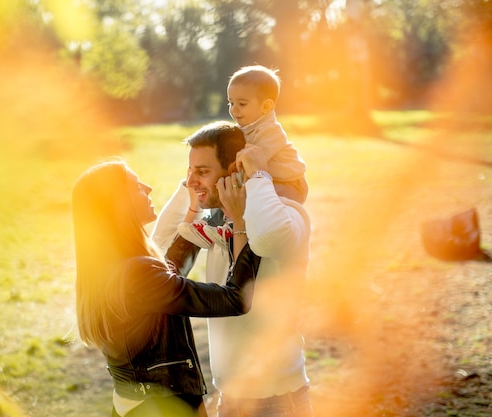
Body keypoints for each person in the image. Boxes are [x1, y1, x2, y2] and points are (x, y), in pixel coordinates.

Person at [72, 159, 261, 417]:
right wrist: (241, 223)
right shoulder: (138, 274)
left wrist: (194, 211)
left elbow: (169, 274)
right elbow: (235, 298)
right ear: (118, 204)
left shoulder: (114, 267)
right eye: (136, 186)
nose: (148, 188)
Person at [152, 121, 313, 417]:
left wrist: (252, 187)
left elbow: (265, 244)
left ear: (234, 171)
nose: (192, 180)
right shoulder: (213, 225)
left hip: (276, 400)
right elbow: (160, 261)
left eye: (202, 171)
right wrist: (192, 197)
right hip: (229, 398)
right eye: (189, 171)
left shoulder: (287, 215)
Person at [178, 64, 308, 249]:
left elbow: (253, 160)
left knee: (241, 193)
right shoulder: (247, 127)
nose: (234, 110)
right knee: (227, 188)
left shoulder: (269, 131)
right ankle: (214, 228)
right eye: (231, 103)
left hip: (289, 184)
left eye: (242, 104)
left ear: (266, 106)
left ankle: (227, 227)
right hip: (271, 179)